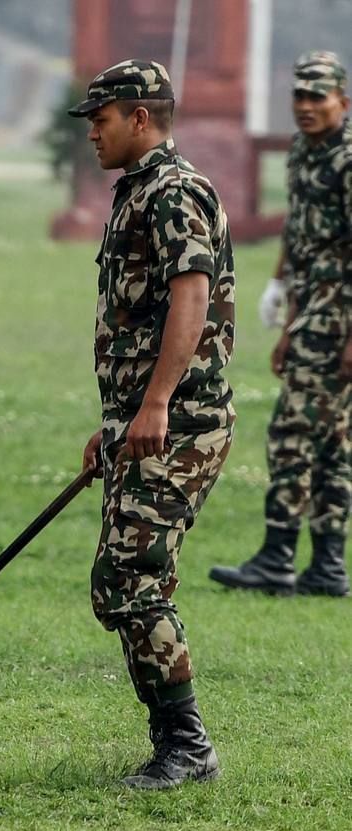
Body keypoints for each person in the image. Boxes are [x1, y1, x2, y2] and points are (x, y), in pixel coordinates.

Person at [71, 60, 235, 789]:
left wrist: (158, 402)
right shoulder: (138, 192)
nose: (93, 136)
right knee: (125, 579)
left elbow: (190, 301)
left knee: (129, 577)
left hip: (183, 421)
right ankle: (177, 740)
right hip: (146, 421)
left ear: (141, 117)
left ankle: (187, 747)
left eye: (101, 121)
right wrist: (117, 420)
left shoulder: (172, 192)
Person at [210, 52, 352, 598]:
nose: (307, 106)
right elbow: (299, 235)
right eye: (299, 95)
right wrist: (285, 308)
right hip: (313, 306)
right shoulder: (303, 152)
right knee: (330, 439)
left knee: (292, 432)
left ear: (343, 99)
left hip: (341, 313)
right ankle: (329, 565)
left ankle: (277, 557)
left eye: (319, 95)